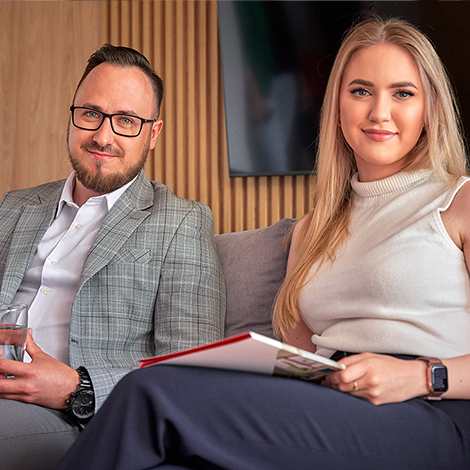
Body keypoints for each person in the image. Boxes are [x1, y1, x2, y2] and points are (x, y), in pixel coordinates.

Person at [56, 16, 470, 470]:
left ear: (430, 107)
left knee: (148, 391)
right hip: (331, 401)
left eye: (403, 93)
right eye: (361, 91)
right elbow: (297, 358)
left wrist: (422, 375)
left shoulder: (460, 201)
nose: (379, 112)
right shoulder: (313, 231)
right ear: (336, 105)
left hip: (431, 410)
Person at [0, 44, 225, 470]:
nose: (103, 137)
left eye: (126, 121)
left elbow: (192, 371)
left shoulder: (181, 221)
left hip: (79, 418)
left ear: (153, 133)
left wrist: (78, 388)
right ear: (72, 116)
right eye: (91, 114)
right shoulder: (13, 207)